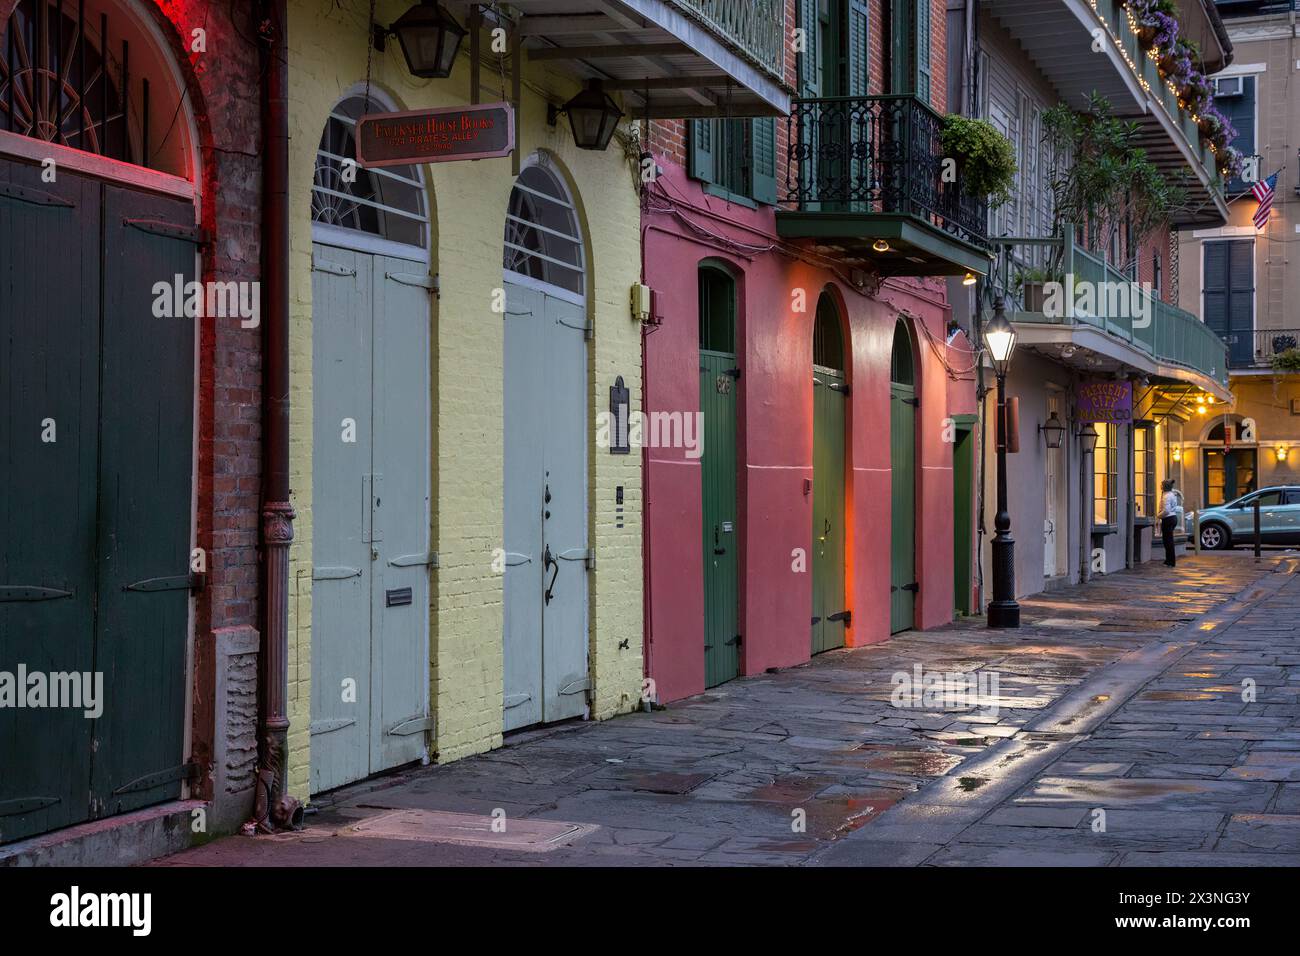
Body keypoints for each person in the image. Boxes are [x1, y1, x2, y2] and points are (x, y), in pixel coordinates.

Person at [1159, 478, 1180, 567]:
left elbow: (1166, 511)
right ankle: (1169, 560)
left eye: (1161, 485)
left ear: (1164, 486)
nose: (1160, 486)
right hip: (1173, 517)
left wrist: (1158, 516)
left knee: (1168, 541)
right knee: (1168, 541)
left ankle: (1170, 561)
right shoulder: (1171, 494)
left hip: (1168, 519)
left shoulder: (1166, 496)